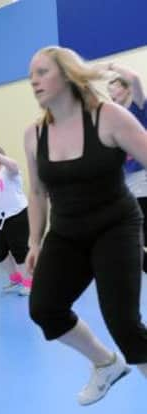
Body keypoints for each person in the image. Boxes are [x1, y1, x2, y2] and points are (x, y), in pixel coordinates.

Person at [25, 46, 147, 405]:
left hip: (116, 226)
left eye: (42, 72)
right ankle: (105, 364)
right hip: (66, 233)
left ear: (66, 74)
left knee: (123, 323)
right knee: (44, 308)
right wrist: (34, 241)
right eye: (30, 75)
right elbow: (36, 191)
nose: (33, 81)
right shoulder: (35, 135)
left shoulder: (108, 117)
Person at [105, 63, 147, 272]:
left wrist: (111, 66)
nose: (110, 92)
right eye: (108, 91)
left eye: (113, 87)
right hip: (129, 183)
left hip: (144, 178)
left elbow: (135, 77)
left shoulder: (139, 107)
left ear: (126, 88)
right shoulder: (116, 119)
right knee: (134, 237)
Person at [0, 145, 31, 296]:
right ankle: (16, 278)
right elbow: (1, 194)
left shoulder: (8, 171)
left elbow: (14, 165)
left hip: (17, 214)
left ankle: (29, 283)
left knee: (19, 251)